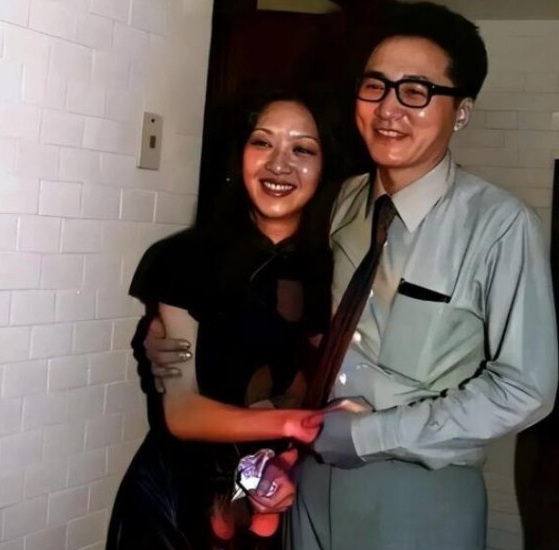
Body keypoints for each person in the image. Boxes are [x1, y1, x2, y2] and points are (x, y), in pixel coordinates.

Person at [147, 3, 558, 549]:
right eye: (375, 86)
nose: (389, 108)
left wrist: (369, 435)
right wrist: (176, 336)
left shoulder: (500, 225)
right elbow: (271, 299)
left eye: (416, 91)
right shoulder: (338, 202)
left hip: (418, 491)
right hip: (306, 481)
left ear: (461, 111)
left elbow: (525, 388)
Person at [105, 91, 339, 550]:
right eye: (262, 142)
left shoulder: (334, 271)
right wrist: (293, 423)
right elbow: (182, 413)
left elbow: (322, 380)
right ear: (239, 154)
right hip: (177, 502)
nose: (279, 164)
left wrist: (288, 458)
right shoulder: (183, 258)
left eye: (302, 149)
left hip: (274, 499)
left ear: (326, 165)